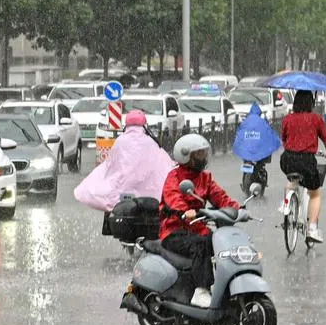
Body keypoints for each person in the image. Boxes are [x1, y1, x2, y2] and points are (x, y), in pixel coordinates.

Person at [160, 134, 240, 309]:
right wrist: (184, 210)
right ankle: (201, 290)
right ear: (186, 156)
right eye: (199, 154)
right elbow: (172, 197)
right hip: (174, 231)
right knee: (201, 245)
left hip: (198, 228)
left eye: (204, 153)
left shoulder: (205, 178)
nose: (203, 158)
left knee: (225, 244)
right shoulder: (174, 177)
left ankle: (224, 286)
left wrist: (237, 209)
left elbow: (220, 197)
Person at [74, 109, 175, 212]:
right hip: (149, 193)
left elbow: (111, 165)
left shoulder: (120, 141)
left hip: (121, 192)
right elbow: (162, 163)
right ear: (144, 125)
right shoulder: (150, 142)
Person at [279, 89, 326, 244]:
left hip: (287, 159)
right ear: (311, 103)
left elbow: (284, 139)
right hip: (307, 161)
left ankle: (286, 203)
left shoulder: (287, 119)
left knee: (292, 177)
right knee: (315, 193)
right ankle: (312, 229)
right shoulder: (316, 119)